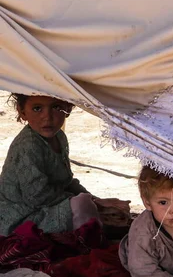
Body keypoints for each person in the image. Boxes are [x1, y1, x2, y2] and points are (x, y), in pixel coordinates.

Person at [0, 94, 100, 236]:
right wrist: (89, 202)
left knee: (90, 203)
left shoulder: (59, 137)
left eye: (56, 107)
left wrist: (95, 199)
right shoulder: (28, 145)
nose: (47, 117)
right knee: (83, 205)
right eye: (37, 108)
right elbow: (37, 197)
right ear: (22, 112)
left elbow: (66, 181)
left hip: (43, 208)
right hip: (19, 218)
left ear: (68, 109)